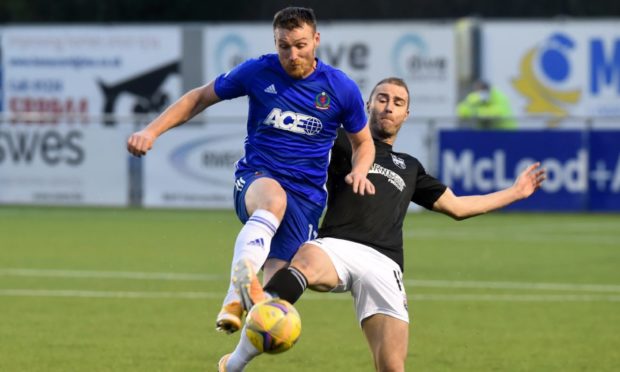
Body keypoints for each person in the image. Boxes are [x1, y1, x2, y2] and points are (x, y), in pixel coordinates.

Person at [219, 77, 546, 371]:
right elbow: (301, 138)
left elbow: (458, 207)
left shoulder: (410, 167)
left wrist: (515, 193)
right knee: (303, 262)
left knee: (391, 366)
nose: (389, 107)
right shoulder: (342, 144)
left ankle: (253, 319)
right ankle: (239, 352)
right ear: (368, 106)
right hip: (337, 246)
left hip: (386, 265)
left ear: (406, 115)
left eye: (398, 102)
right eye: (383, 98)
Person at [126, 6, 375, 334]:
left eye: (300, 45)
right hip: (258, 177)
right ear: (275, 42)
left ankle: (235, 353)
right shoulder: (258, 71)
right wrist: (151, 131)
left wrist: (360, 170)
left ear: (316, 40)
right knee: (273, 200)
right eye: (283, 45)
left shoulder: (340, 88)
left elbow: (364, 143)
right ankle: (234, 296)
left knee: (272, 308)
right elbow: (200, 97)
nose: (292, 53)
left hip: (307, 198)